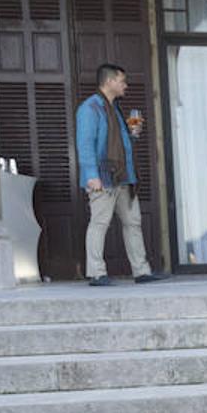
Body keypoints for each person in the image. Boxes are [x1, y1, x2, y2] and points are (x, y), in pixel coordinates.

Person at [75, 63, 167, 287]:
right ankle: (96, 272)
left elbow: (119, 143)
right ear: (109, 82)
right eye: (122, 81)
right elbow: (85, 144)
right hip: (102, 178)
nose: (126, 85)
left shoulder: (113, 108)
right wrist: (91, 175)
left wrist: (132, 133)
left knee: (133, 223)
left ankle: (141, 271)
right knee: (100, 223)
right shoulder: (91, 108)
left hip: (124, 177)